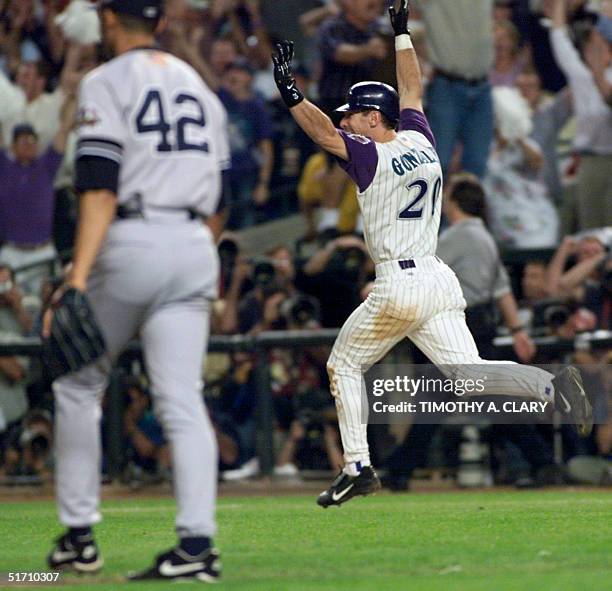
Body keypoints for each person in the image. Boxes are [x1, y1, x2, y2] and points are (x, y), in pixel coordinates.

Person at [271, 0, 592, 508]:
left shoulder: (370, 154)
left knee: (343, 365)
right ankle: (551, 388)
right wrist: (402, 33)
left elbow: (321, 132)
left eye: (354, 113)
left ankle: (357, 466)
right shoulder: (422, 139)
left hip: (399, 282)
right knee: (471, 375)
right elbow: (413, 89)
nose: (348, 121)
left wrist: (291, 93)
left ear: (374, 117)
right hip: (438, 279)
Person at [43, 0, 228, 581]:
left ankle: (79, 537)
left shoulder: (104, 80)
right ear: (162, 24)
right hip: (195, 243)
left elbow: (97, 189)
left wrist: (76, 278)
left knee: (78, 382)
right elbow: (222, 199)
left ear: (109, 21)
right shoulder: (199, 85)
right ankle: (196, 546)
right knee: (182, 397)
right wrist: (191, 250)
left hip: (129, 239)